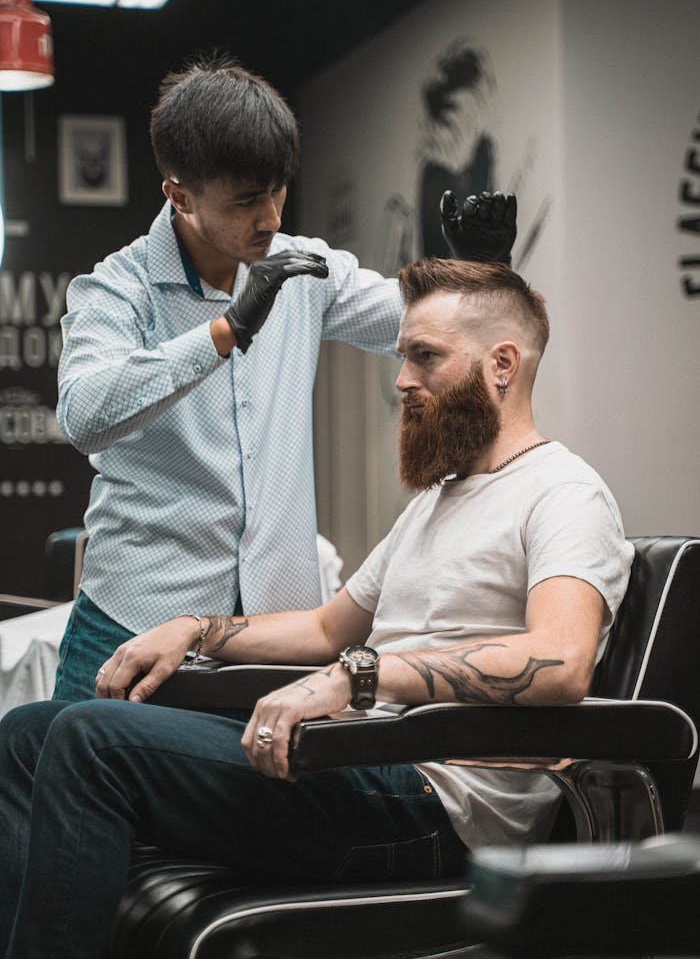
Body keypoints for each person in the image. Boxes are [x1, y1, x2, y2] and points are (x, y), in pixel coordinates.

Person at [0, 258, 633, 959]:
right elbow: (328, 626)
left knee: (92, 740)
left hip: (438, 805)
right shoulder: (438, 500)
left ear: (503, 365)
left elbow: (561, 660)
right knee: (26, 733)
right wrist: (196, 629)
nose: (402, 379)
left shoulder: (563, 493)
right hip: (362, 763)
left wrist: (356, 676)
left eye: (426, 357)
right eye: (403, 356)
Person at [53, 53, 515, 701]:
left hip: (270, 632)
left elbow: (419, 324)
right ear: (179, 196)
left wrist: (484, 274)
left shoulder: (303, 269)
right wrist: (225, 331)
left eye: (278, 190)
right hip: (133, 618)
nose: (270, 217)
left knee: (264, 776)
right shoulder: (118, 289)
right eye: (246, 199)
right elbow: (84, 415)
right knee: (65, 766)